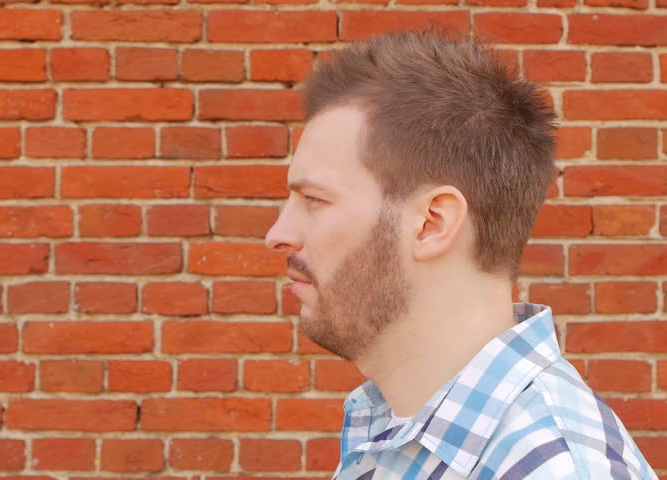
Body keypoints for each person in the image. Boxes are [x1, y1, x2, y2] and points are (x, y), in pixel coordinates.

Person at [264, 29, 657, 479]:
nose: (278, 234)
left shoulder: (555, 468)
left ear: (433, 223)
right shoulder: (397, 427)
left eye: (314, 200)